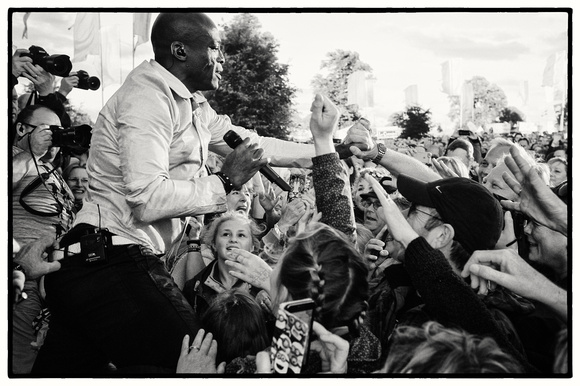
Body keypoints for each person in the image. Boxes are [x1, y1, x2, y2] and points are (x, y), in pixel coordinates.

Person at [36, 12, 376, 374]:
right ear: (180, 50)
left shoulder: (193, 106)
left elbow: (255, 145)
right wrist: (226, 182)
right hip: (108, 262)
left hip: (92, 265)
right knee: (206, 361)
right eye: (215, 48)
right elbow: (147, 198)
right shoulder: (147, 97)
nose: (223, 59)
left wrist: (330, 149)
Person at [12, 105, 76, 374]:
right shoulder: (16, 157)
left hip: (53, 279)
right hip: (21, 277)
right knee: (22, 364)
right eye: (47, 130)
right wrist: (31, 153)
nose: (53, 138)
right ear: (22, 129)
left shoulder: (52, 170)